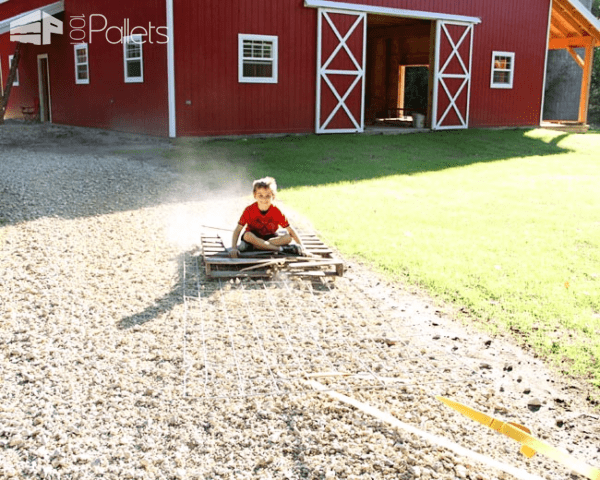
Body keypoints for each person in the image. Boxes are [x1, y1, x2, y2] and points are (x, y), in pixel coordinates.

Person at [229, 177, 305, 258]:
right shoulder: (249, 210)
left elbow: (290, 230)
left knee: (289, 238)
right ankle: (280, 249)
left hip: (270, 238)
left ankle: (257, 247)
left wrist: (302, 246)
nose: (264, 199)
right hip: (253, 238)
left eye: (268, 196)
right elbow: (238, 229)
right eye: (260, 195)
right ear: (255, 195)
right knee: (247, 236)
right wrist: (233, 248)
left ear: (273, 196)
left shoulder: (276, 211)